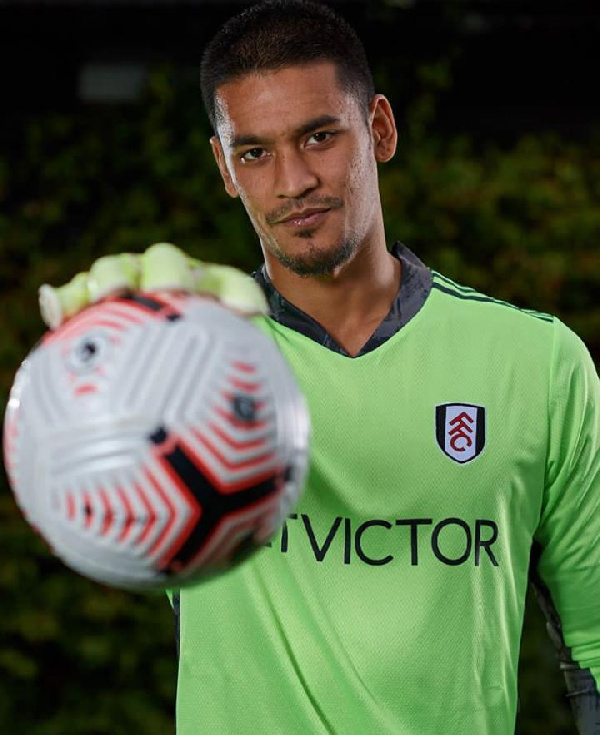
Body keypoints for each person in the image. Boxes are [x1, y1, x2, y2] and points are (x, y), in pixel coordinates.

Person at [41, 1, 600, 733]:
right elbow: (103, 507)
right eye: (254, 152)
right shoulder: (191, 366)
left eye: (319, 136)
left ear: (380, 129)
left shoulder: (537, 360)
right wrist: (96, 362)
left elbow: (592, 643)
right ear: (224, 168)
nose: (292, 179)